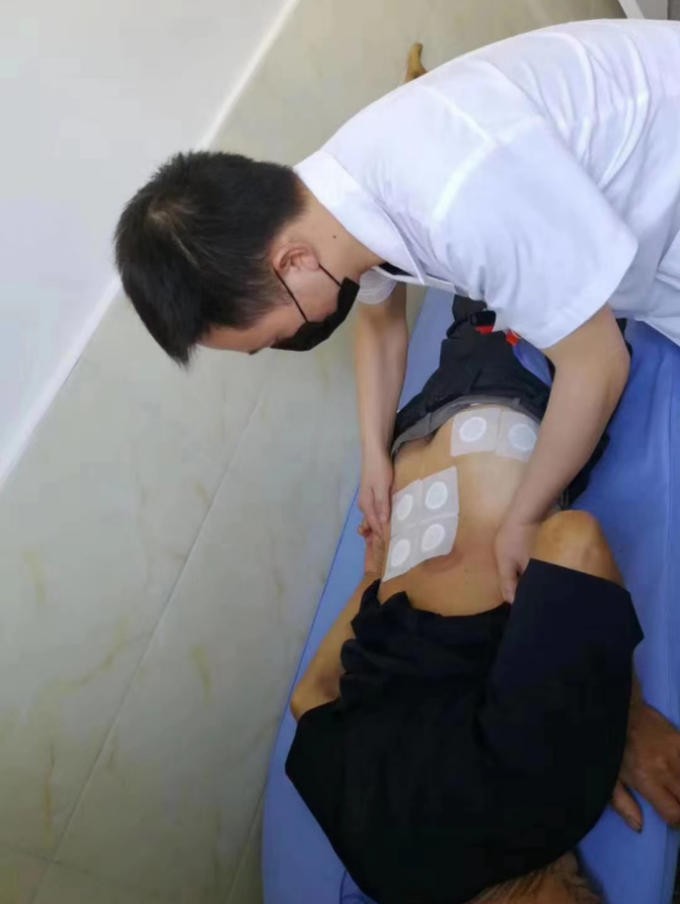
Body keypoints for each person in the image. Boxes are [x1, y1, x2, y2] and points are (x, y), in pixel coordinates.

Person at [115, 19, 680, 600]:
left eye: (270, 338)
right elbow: (380, 323)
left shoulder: (459, 198)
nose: (285, 343)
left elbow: (597, 366)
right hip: (640, 207)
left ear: (292, 262)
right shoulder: (333, 205)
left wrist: (525, 515)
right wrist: (374, 458)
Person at [285, 312, 680, 904]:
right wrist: (370, 579)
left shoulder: (543, 807)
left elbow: (574, 541)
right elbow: (308, 700)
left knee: (558, 277)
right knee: (488, 286)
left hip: (515, 395)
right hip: (413, 454)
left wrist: (619, 716)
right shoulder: (380, 868)